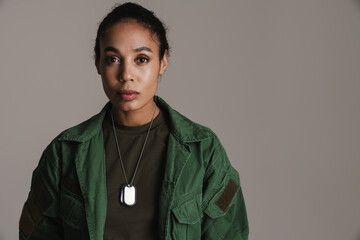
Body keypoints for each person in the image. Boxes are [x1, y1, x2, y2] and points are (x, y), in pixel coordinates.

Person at [19, 2, 249, 240]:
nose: (126, 75)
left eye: (141, 59)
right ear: (98, 63)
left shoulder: (203, 150)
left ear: (163, 61)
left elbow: (231, 234)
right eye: (113, 59)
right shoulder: (64, 152)